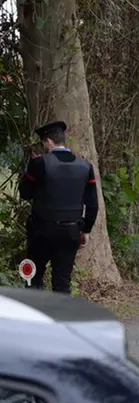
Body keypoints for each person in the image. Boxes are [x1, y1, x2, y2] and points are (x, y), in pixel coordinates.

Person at [18, 121, 98, 294]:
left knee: (33, 278)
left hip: (41, 231)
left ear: (48, 142)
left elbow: (25, 193)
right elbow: (92, 204)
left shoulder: (40, 163)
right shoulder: (85, 166)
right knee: (62, 282)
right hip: (70, 232)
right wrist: (86, 230)